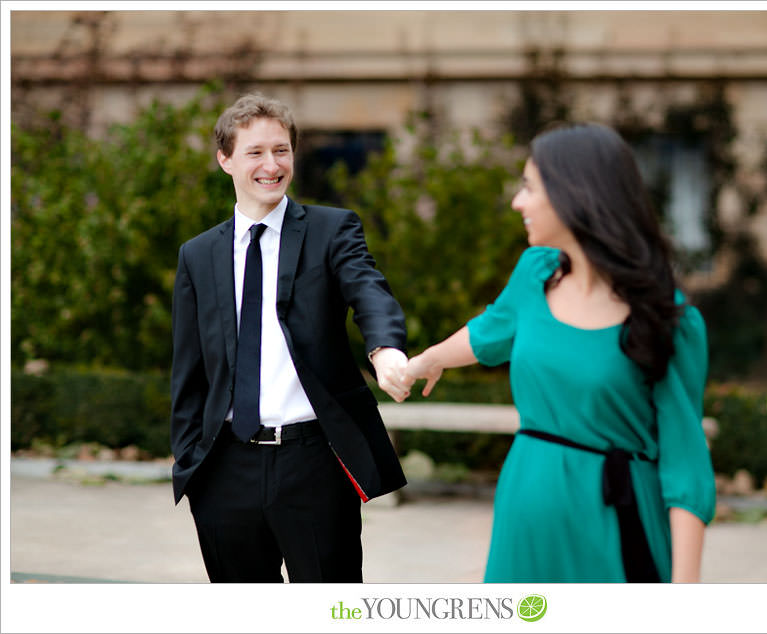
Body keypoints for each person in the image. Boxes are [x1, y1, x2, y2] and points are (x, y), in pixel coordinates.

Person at [403, 123, 716, 583]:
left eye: (529, 186)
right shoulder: (535, 274)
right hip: (525, 512)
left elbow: (686, 469)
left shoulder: (669, 320)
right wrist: (428, 360)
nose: (517, 201)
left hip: (617, 523)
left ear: (575, 194)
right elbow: (490, 331)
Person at [170, 93, 411, 583]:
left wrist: (385, 347)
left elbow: (368, 290)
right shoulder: (197, 255)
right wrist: (191, 459)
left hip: (313, 464)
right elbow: (188, 367)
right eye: (255, 152)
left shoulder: (332, 230)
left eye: (281, 150)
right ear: (226, 160)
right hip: (224, 469)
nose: (271, 164)